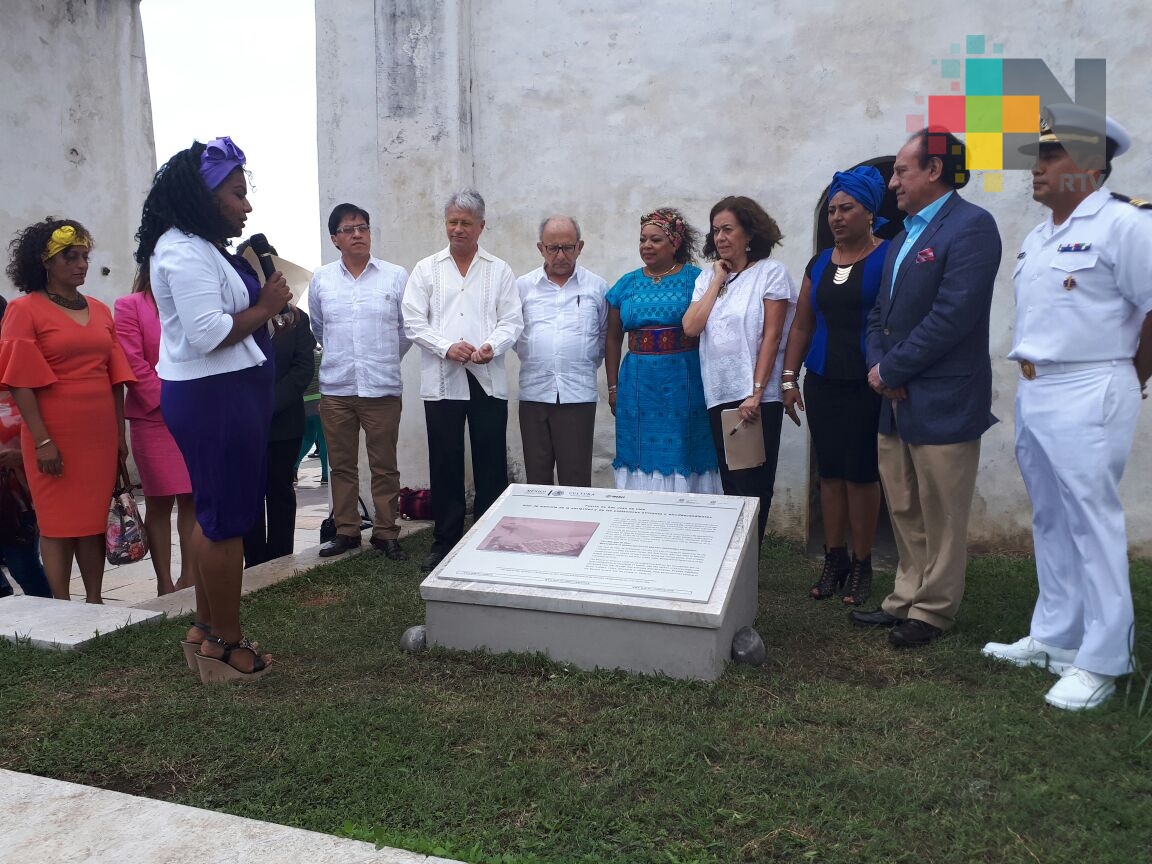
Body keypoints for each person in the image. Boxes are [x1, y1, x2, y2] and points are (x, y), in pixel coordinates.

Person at [982, 105, 1152, 711]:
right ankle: (1056, 637)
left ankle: (1104, 659)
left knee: (1092, 518)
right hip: (1038, 385)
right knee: (1051, 517)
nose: (1037, 167)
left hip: (1092, 383)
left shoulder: (1126, 225)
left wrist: (1131, 376)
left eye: (1050, 155)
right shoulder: (1042, 234)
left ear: (1089, 165)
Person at [135, 137, 290, 682]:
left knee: (214, 514)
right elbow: (207, 334)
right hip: (216, 398)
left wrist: (266, 307)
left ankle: (204, 628)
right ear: (204, 197)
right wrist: (266, 306)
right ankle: (226, 646)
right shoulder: (180, 251)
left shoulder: (198, 245)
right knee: (226, 524)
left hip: (226, 395)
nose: (246, 207)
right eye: (237, 194)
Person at [850, 128, 1002, 648]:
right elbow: (878, 315)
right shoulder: (900, 238)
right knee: (905, 504)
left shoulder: (972, 227)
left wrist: (892, 370)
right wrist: (879, 365)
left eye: (901, 170)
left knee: (942, 509)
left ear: (934, 170)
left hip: (941, 398)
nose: (893, 182)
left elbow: (953, 316)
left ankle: (934, 610)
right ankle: (905, 597)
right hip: (894, 400)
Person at [0, 219, 134, 602]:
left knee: (93, 522)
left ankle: (94, 601)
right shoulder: (24, 310)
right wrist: (42, 440)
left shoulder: (100, 310)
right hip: (51, 432)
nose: (81, 264)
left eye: (84, 256)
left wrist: (120, 434)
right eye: (69, 257)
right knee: (58, 525)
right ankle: (62, 606)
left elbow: (115, 377)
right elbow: (20, 381)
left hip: (99, 434)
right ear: (45, 263)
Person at [780, 167, 891, 605]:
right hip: (823, 379)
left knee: (861, 473)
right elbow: (803, 324)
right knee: (829, 472)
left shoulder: (888, 256)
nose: (837, 218)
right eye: (831, 210)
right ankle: (835, 558)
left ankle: (863, 564)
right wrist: (789, 378)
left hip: (868, 381)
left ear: (869, 213)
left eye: (847, 208)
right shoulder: (820, 262)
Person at [403, 189, 523, 573]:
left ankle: (488, 538)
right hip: (442, 379)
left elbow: (512, 321)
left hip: (486, 378)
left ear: (481, 226)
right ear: (446, 224)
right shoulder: (427, 269)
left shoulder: (498, 269)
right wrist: (445, 346)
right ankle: (446, 540)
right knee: (445, 460)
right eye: (453, 221)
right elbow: (412, 321)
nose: (458, 229)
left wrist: (491, 345)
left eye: (466, 223)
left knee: (490, 461)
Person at [682, 196, 797, 546]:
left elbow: (773, 335)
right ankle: (733, 565)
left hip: (754, 398)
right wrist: (718, 279)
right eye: (716, 231)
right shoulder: (707, 279)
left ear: (749, 233)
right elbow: (690, 327)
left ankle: (749, 566)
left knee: (752, 486)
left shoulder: (770, 273)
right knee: (730, 482)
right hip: (718, 393)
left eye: (728, 229)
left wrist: (757, 392)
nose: (720, 238)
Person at [310, 203, 410, 560]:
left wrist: (381, 358)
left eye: (363, 227)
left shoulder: (395, 276)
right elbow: (319, 328)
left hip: (382, 386)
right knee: (341, 465)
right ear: (335, 238)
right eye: (349, 229)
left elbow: (406, 330)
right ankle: (347, 531)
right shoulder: (322, 279)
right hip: (337, 389)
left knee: (384, 465)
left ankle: (386, 532)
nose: (357, 234)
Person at [604, 209, 719, 493]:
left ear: (675, 243)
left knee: (685, 448)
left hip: (685, 381)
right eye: (643, 239)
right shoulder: (626, 284)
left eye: (655, 240)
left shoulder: (697, 280)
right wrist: (613, 387)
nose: (646, 246)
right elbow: (612, 338)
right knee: (638, 451)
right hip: (637, 384)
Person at [114, 271, 196, 595]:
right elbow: (131, 362)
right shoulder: (130, 305)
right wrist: (169, 399)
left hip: (193, 414)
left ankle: (189, 576)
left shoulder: (189, 303)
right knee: (159, 501)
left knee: (192, 498)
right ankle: (164, 582)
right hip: (153, 416)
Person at [514, 215, 608, 486]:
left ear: (580, 247)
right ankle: (540, 528)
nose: (560, 255)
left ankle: (576, 528)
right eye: (552, 248)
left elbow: (602, 336)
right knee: (537, 474)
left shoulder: (597, 287)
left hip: (577, 394)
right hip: (534, 391)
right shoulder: (523, 287)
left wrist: (579, 360)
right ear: (540, 248)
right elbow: (512, 333)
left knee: (576, 476)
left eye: (567, 247)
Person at [241, 276, 316, 567]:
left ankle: (282, 558)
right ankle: (255, 561)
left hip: (283, 419)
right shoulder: (240, 319)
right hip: (246, 419)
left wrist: (270, 403)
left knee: (280, 489)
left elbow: (303, 368)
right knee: (250, 491)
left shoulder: (297, 319)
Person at [0, 295, 51, 599]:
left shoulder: (22, 381)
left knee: (24, 566)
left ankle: (53, 615)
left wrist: (22, 457)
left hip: (15, 495)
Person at [293, 348, 328, 485]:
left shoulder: (300, 360)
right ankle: (325, 475)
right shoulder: (320, 357)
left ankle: (293, 467)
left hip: (304, 403)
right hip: (320, 402)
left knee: (307, 439)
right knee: (324, 440)